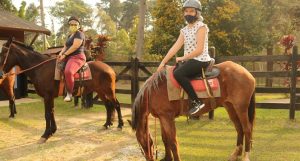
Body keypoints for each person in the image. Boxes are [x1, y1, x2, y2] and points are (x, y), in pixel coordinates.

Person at [157, 0, 211, 115]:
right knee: (174, 71)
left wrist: (182, 58)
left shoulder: (201, 27)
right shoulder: (184, 30)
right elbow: (174, 47)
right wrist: (163, 62)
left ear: (197, 13)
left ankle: (197, 102)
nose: (188, 13)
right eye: (186, 11)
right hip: (191, 60)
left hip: (201, 59)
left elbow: (199, 50)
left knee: (178, 74)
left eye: (191, 11)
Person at [58, 16, 86, 102]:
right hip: (68, 57)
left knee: (68, 71)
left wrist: (65, 54)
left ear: (79, 25)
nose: (73, 26)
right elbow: (65, 46)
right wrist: (61, 53)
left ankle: (69, 94)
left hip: (77, 57)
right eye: (71, 24)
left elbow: (75, 46)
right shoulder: (70, 35)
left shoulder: (79, 34)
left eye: (75, 24)